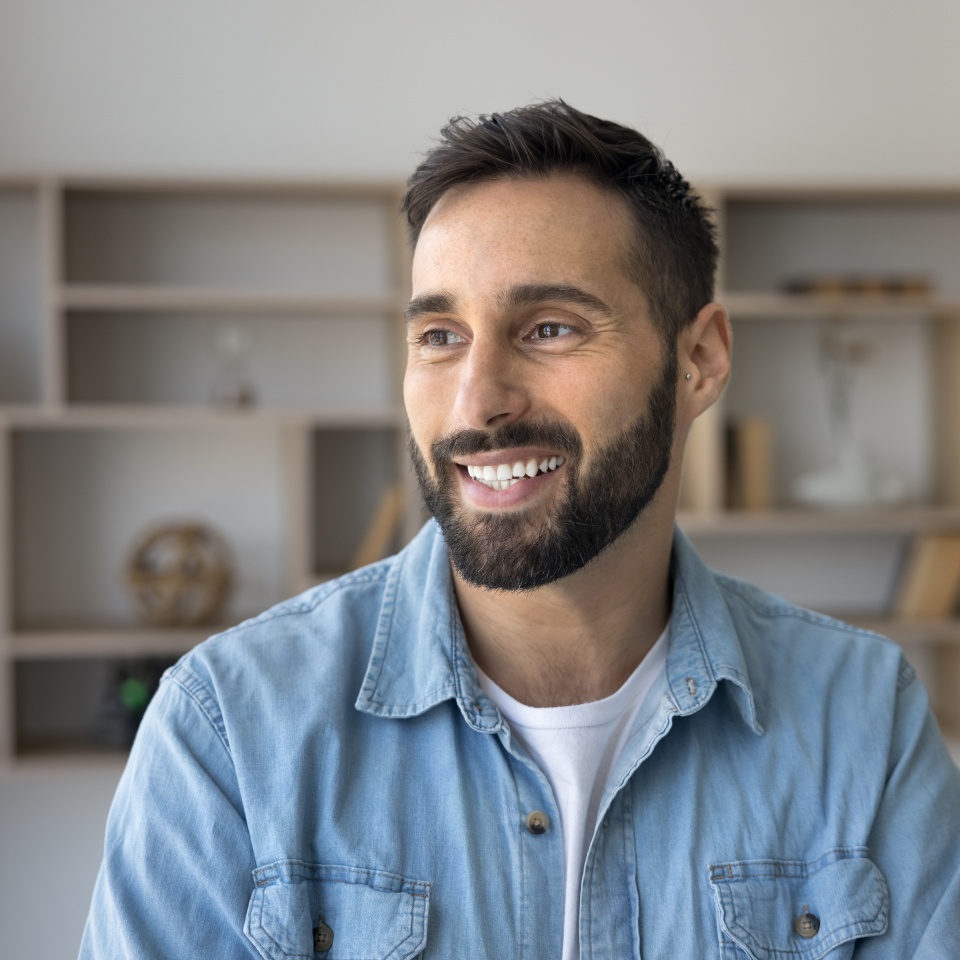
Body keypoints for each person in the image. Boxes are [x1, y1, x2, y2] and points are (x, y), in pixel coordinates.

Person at [80, 101, 960, 959]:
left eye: (548, 328)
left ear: (699, 362)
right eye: (439, 335)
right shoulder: (231, 728)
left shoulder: (862, 721)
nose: (476, 401)